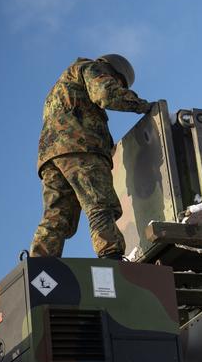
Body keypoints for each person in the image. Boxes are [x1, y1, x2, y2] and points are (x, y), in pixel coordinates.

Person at [30, 54, 151, 260]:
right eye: (119, 83)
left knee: (57, 216)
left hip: (51, 157)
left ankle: (39, 266)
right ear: (115, 71)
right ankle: (111, 255)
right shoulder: (91, 68)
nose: (117, 85)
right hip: (81, 148)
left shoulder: (62, 85)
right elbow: (106, 94)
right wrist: (143, 105)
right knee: (100, 203)